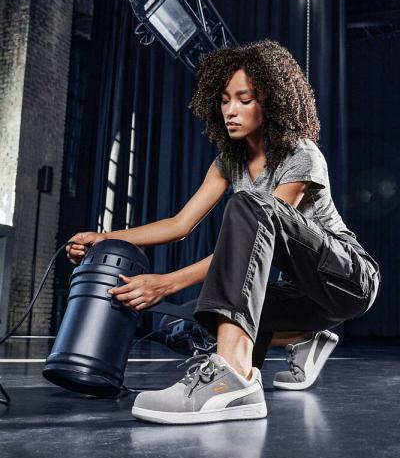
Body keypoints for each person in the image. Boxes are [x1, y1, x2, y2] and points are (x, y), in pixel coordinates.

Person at [66, 38, 381, 425]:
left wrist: (165, 283)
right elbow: (179, 225)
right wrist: (108, 238)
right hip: (301, 297)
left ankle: (235, 379)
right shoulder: (227, 162)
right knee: (195, 323)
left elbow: (252, 241)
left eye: (244, 99)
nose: (230, 110)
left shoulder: (302, 155)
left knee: (250, 205)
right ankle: (301, 340)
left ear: (271, 101)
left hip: (348, 278)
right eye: (224, 100)